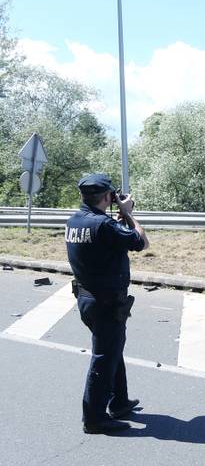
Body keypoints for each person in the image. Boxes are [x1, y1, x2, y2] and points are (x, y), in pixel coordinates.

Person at [66, 174, 149, 434]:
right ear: (106, 197)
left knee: (112, 349)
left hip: (87, 298)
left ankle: (119, 401)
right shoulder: (104, 225)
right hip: (105, 303)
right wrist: (128, 213)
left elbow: (103, 240)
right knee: (103, 357)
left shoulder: (76, 220)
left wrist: (117, 219)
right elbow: (141, 241)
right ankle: (94, 418)